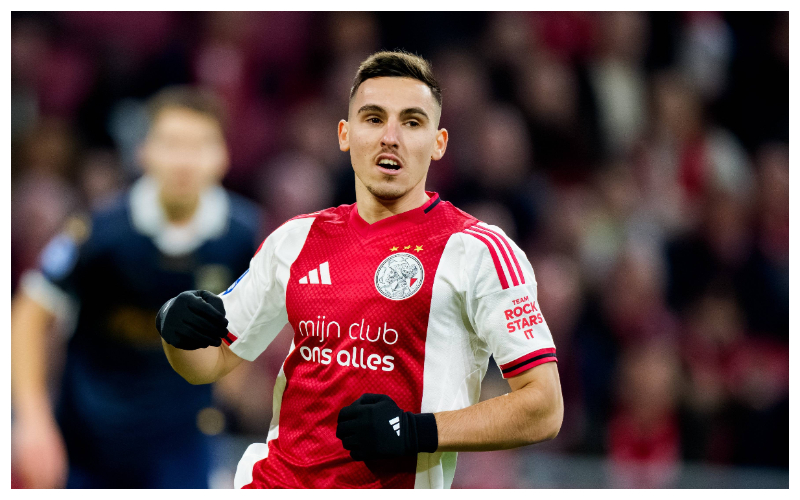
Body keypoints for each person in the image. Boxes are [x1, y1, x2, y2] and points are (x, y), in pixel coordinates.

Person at [157, 51, 563, 489]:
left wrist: (413, 431)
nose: (391, 137)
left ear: (439, 142)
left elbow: (543, 407)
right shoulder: (295, 239)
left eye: (411, 122)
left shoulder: (480, 251)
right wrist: (174, 329)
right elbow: (209, 363)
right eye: (373, 119)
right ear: (345, 135)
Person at [10, 86, 261, 488]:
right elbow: (28, 313)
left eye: (199, 145)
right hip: (88, 442)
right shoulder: (100, 232)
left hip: (182, 444)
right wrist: (32, 419)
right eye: (172, 143)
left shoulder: (242, 235)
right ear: (145, 151)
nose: (184, 159)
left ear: (223, 155)